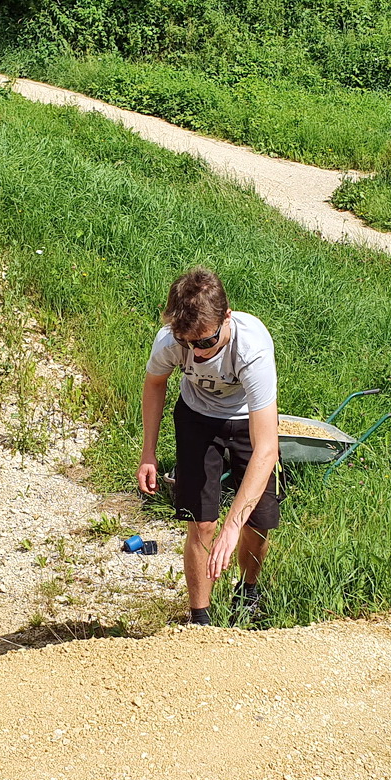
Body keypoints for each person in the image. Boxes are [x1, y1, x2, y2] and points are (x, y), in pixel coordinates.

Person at [137, 268, 280, 625]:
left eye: (204, 343)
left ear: (226, 319)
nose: (196, 353)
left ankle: (248, 591)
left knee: (256, 521)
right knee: (201, 524)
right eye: (187, 343)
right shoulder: (173, 341)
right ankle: (199, 619)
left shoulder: (252, 349)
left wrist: (233, 526)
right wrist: (148, 453)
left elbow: (267, 450)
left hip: (247, 419)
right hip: (197, 416)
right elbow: (155, 385)